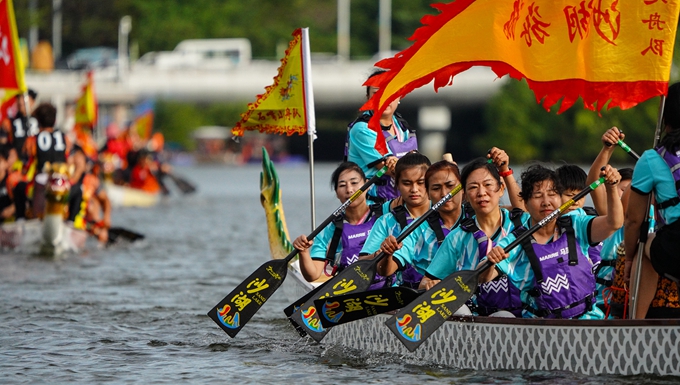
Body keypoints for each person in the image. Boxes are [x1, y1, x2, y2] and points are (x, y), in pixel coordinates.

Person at [484, 164, 623, 319]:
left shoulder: (576, 224)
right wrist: (491, 260)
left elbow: (614, 223)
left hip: (588, 321)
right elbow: (484, 277)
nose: (546, 202)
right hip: (542, 328)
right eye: (537, 196)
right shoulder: (515, 241)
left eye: (552, 194)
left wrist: (612, 187)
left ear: (560, 198)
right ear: (526, 204)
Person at [420, 157, 524, 317]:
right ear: (465, 195)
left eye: (488, 185)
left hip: (522, 314)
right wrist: (432, 285)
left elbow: (527, 207)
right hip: (474, 318)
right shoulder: (457, 237)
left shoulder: (521, 223)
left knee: (505, 316)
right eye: (473, 187)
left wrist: (506, 170)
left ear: (501, 188)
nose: (482, 193)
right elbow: (425, 282)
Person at [625, 82, 680, 319]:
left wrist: (628, 259)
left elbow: (634, 221)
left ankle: (635, 325)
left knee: (643, 247)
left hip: (676, 242)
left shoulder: (651, 159)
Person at [292, 162, 388, 288]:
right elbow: (313, 275)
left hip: (387, 289)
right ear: (337, 193)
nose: (349, 190)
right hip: (350, 292)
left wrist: (395, 166)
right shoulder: (330, 229)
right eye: (342, 185)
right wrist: (303, 252)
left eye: (354, 183)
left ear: (367, 184)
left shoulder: (386, 212)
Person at [375, 159, 465, 289]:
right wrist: (387, 254)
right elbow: (385, 271)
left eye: (450, 186)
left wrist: (505, 173)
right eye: (436, 188)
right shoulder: (417, 228)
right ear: (427, 193)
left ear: (462, 188)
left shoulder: (477, 216)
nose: (444, 194)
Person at [359, 151, 431, 288]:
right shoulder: (386, 221)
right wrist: (380, 253)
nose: (414, 189)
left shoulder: (444, 212)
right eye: (407, 183)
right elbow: (362, 262)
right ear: (397, 184)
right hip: (402, 292)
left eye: (420, 183)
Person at [345, 69, 417, 203]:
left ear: (399, 96)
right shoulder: (362, 129)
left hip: (398, 201)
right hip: (371, 205)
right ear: (368, 98)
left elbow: (414, 164)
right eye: (376, 93)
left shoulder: (402, 126)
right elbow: (392, 170)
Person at [24, 103, 68, 219]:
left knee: (18, 186)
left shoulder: (32, 140)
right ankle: (71, 219)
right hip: (62, 180)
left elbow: (27, 161)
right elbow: (68, 157)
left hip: (41, 180)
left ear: (38, 121)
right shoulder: (65, 138)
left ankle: (21, 217)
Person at [67, 145, 111, 244]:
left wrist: (106, 221)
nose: (75, 161)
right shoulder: (63, 177)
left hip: (84, 225)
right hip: (65, 220)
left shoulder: (91, 181)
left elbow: (105, 200)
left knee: (92, 205)